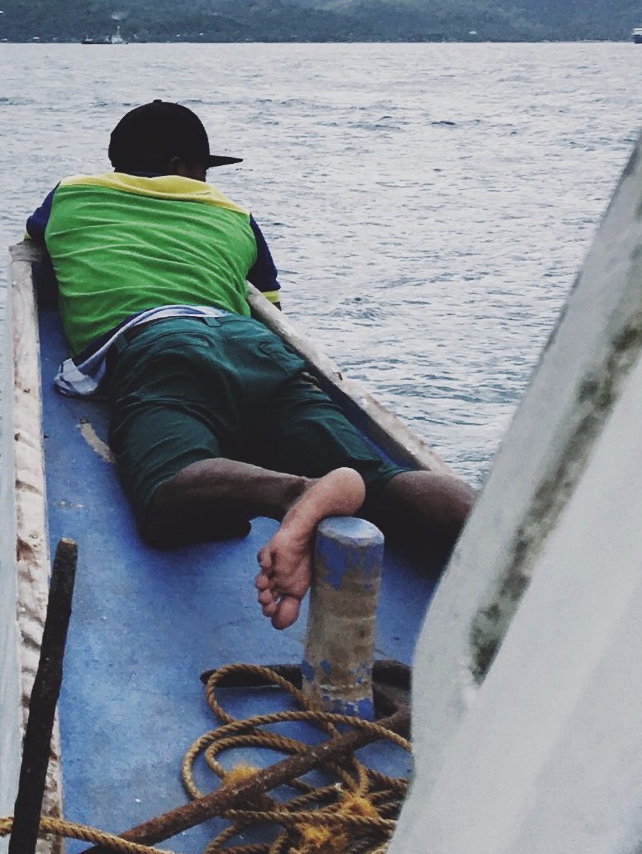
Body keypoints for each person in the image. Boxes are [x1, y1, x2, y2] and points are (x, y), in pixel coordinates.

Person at [25, 99, 474, 628]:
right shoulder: (234, 215)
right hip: (256, 347)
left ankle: (297, 492)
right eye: (201, 168)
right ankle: (511, 537)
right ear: (180, 167)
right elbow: (269, 305)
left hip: (160, 344)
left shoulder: (71, 195)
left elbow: (41, 247)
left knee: (167, 491)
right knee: (386, 481)